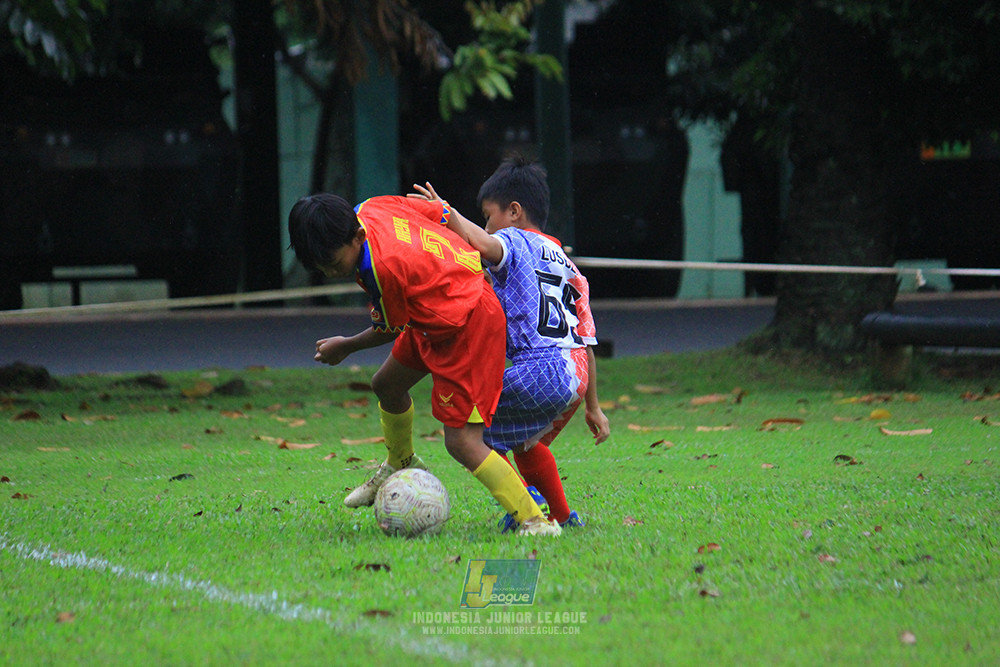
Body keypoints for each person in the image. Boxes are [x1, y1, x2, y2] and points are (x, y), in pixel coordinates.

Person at [287, 192, 561, 536]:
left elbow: (388, 328)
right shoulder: (371, 208)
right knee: (386, 385)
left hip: (469, 323)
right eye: (321, 267)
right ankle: (400, 461)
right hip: (434, 308)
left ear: (357, 237)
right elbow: (440, 209)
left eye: (334, 264)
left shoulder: (380, 269)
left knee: (461, 441)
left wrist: (346, 346)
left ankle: (535, 520)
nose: (330, 272)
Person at [411, 155, 610, 530]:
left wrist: (446, 214)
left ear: (514, 211)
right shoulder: (568, 266)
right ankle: (564, 517)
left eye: (489, 215)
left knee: (467, 435)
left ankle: (526, 505)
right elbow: (585, 340)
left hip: (540, 367)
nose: (486, 225)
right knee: (527, 443)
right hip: (575, 374)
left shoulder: (514, 240)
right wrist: (593, 407)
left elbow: (486, 245)